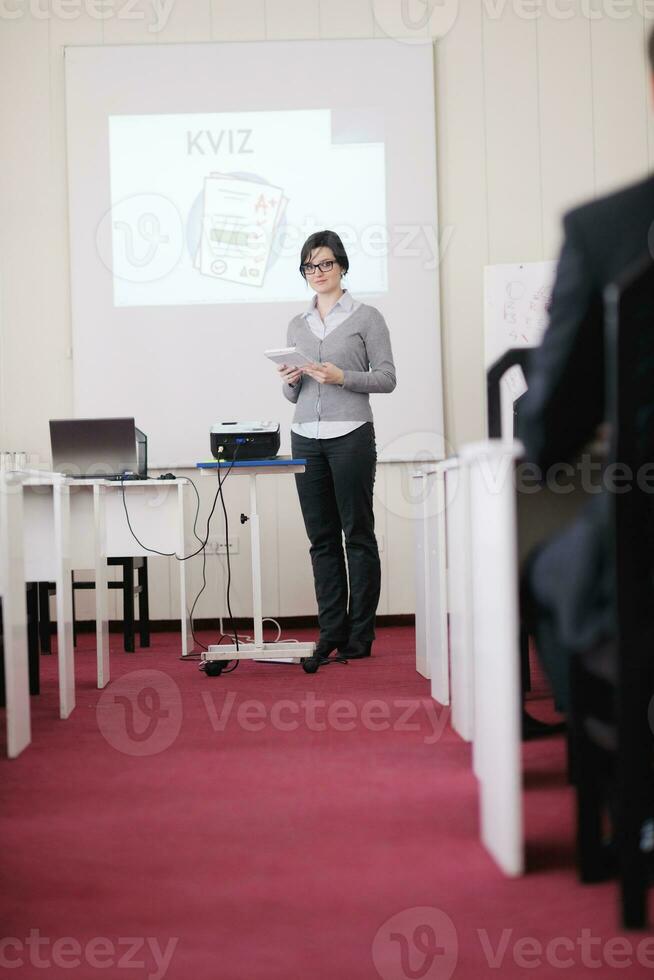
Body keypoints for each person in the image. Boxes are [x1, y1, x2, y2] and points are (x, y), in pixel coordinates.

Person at [518, 27, 654, 711]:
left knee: (547, 574)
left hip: (644, 553)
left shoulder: (607, 232)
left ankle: (631, 789)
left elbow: (546, 440)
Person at [278, 230, 396, 665]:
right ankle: (331, 630)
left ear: (342, 265)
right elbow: (295, 396)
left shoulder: (368, 318)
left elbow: (386, 377)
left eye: (325, 263)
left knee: (357, 535)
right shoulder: (297, 324)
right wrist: (292, 382)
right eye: (310, 266)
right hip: (305, 436)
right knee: (321, 539)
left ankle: (360, 635)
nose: (318, 272)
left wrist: (342, 376)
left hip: (351, 435)